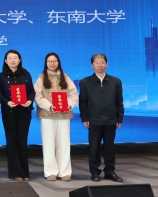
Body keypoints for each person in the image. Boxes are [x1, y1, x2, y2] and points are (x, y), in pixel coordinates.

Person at [79, 53, 124, 182]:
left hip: (111, 119)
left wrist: (119, 118)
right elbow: (83, 102)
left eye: (102, 62)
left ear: (106, 64)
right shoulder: (85, 82)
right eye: (97, 63)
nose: (100, 65)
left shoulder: (116, 81)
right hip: (94, 120)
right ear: (92, 65)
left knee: (110, 147)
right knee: (94, 148)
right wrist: (84, 117)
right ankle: (95, 172)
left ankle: (110, 171)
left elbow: (119, 101)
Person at [34, 53, 78, 181]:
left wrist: (68, 105)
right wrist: (49, 106)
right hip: (47, 115)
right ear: (46, 63)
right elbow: (37, 96)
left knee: (64, 143)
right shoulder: (41, 78)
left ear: (58, 62)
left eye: (54, 61)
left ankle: (65, 172)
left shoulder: (65, 77)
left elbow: (73, 94)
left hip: (64, 114)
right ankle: (50, 171)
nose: (52, 63)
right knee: (48, 144)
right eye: (49, 61)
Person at [0, 50, 35, 181]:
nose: (13, 60)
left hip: (24, 112)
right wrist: (7, 102)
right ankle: (15, 173)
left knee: (22, 142)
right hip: (9, 112)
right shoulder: (1, 76)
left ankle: (25, 172)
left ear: (19, 60)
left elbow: (32, 91)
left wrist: (30, 100)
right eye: (10, 58)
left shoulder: (26, 74)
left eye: (15, 58)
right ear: (5, 61)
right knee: (12, 142)